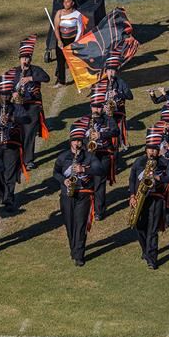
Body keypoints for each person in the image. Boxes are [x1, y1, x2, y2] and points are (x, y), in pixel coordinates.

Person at [54, 119, 105, 267]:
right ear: (70, 142)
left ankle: (79, 255)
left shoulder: (89, 156)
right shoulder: (63, 157)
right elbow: (55, 173)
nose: (77, 143)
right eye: (75, 140)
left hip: (84, 194)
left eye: (79, 140)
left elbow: (100, 170)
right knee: (70, 224)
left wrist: (85, 170)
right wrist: (63, 181)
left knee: (80, 224)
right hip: (67, 195)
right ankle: (74, 248)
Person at [129, 127, 169, 270]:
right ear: (146, 148)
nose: (153, 152)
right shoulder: (139, 162)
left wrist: (158, 177)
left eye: (155, 149)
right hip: (139, 198)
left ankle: (152, 259)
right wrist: (132, 195)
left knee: (153, 230)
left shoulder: (164, 162)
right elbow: (132, 179)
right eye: (150, 149)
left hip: (156, 199)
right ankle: (145, 250)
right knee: (138, 226)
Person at [8, 35, 50, 169]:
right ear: (19, 59)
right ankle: (18, 159)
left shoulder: (36, 70)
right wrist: (12, 94)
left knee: (29, 134)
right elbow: (4, 88)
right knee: (18, 134)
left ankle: (28, 160)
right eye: (23, 58)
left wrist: (31, 78)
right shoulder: (14, 72)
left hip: (32, 107)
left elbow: (46, 78)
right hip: (18, 107)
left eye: (27, 58)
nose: (25, 61)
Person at [0, 74, 29, 212]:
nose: (5, 97)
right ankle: (2, 193)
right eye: (2, 95)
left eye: (7, 94)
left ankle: (9, 199)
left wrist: (11, 118)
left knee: (10, 173)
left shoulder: (17, 108)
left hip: (12, 145)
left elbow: (27, 119)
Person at [83, 83, 119, 221]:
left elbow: (116, 131)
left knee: (99, 184)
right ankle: (86, 208)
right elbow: (77, 136)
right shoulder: (86, 120)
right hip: (88, 155)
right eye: (94, 106)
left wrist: (100, 135)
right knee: (86, 182)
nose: (96, 109)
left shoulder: (108, 119)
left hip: (103, 154)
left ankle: (99, 211)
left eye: (99, 106)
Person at [102, 50, 134, 150]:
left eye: (113, 70)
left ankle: (121, 144)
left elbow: (130, 96)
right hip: (106, 115)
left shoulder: (121, 82)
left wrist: (118, 94)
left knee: (118, 135)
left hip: (119, 113)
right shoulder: (102, 84)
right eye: (109, 70)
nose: (111, 73)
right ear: (105, 71)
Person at [52, 0, 84, 87]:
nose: (65, 3)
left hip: (72, 40)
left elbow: (80, 30)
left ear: (72, 3)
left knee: (75, 60)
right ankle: (61, 81)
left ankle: (80, 79)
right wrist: (59, 41)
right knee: (60, 61)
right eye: (64, 1)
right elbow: (56, 28)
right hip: (61, 40)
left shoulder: (77, 14)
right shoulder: (59, 13)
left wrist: (75, 42)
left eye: (68, 1)